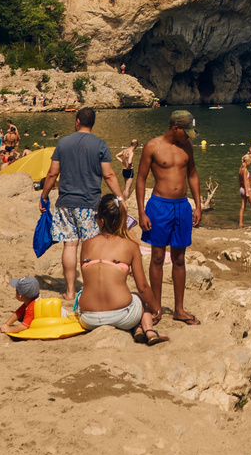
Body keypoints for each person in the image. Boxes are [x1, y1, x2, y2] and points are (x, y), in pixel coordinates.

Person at [39, 107, 125, 307]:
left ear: (77, 121)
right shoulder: (100, 144)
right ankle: (90, 289)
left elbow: (52, 173)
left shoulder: (63, 143)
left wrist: (44, 196)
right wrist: (120, 198)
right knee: (90, 247)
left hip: (66, 203)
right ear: (92, 123)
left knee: (70, 245)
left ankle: (70, 292)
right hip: (90, 205)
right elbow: (110, 175)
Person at [135, 110, 202, 326]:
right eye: (186, 131)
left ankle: (179, 310)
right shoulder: (152, 146)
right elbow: (141, 179)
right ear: (175, 128)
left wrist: (198, 205)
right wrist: (142, 211)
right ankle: (155, 308)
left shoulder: (187, 146)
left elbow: (192, 174)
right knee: (156, 256)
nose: (189, 136)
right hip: (159, 205)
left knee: (179, 259)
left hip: (182, 206)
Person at [77, 194, 165, 341]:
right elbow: (142, 286)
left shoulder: (86, 244)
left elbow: (88, 281)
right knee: (139, 298)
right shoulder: (130, 246)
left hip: (88, 318)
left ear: (102, 221)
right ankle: (148, 329)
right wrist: (156, 310)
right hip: (122, 316)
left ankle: (138, 328)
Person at [236, 158, 251, 227]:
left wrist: (241, 188)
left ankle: (240, 223)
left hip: (241, 189)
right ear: (247, 161)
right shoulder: (245, 170)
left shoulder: (240, 169)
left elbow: (239, 180)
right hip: (246, 189)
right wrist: (247, 191)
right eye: (250, 162)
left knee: (242, 207)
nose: (250, 163)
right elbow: (245, 180)